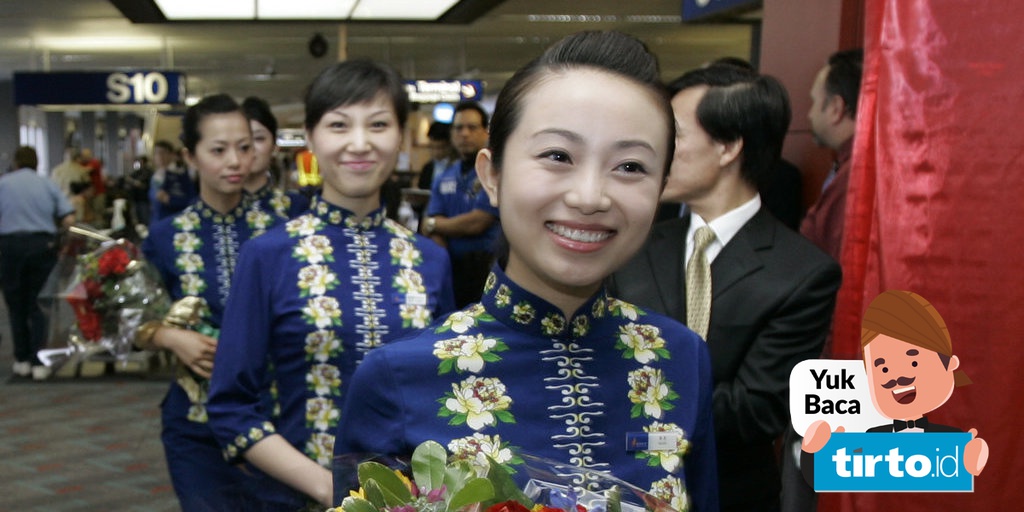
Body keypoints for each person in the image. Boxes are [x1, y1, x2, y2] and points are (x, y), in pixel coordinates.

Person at [336, 31, 718, 512]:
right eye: (558, 156)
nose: (590, 196)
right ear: (492, 176)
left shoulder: (682, 358)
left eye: (630, 166)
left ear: (662, 187)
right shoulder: (396, 377)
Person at [206, 59, 456, 511]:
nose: (359, 143)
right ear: (310, 138)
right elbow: (230, 406)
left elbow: (443, 395)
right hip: (293, 496)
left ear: (400, 136)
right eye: (339, 125)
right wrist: (328, 486)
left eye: (378, 124)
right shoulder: (268, 256)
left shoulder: (431, 260)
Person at [607, 64, 841, 512]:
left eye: (675, 136)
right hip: (620, 488)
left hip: (729, 494)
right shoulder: (633, 245)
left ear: (729, 146)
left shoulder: (802, 273)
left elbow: (757, 408)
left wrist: (640, 423)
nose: (658, 151)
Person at [137, 94, 284, 511]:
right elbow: (130, 317)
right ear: (191, 155)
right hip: (193, 422)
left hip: (274, 417)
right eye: (218, 150)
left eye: (244, 146)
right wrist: (167, 336)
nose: (235, 160)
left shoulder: (282, 232)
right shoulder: (166, 236)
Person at [801, 290, 988, 477]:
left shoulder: (952, 440)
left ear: (950, 363)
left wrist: (971, 461)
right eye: (883, 369)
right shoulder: (869, 439)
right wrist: (814, 453)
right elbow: (827, 473)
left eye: (913, 362)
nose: (897, 378)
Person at [0, 146, 75, 380]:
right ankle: (39, 362)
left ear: (15, 162)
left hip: (9, 247)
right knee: (40, 305)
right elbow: (69, 218)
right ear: (36, 162)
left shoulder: (3, 184)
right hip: (42, 247)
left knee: (15, 305)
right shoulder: (48, 184)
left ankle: (21, 359)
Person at [422, 101, 501, 308]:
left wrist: (435, 225)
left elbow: (478, 221)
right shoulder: (444, 176)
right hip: (451, 269)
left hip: (488, 268)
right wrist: (442, 260)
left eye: (472, 127)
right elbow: (432, 221)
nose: (464, 134)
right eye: (458, 128)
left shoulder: (495, 172)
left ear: (486, 131)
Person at [801, 49, 864, 263]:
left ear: (836, 108)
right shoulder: (849, 168)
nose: (809, 114)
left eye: (814, 102)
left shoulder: (853, 179)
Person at [241, 96, 310, 219]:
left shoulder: (296, 206)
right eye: (242, 140)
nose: (250, 147)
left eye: (259, 138)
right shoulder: (214, 206)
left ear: (274, 146)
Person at [151, 139, 198, 223]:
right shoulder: (155, 177)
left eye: (163, 153)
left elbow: (192, 201)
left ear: (171, 155)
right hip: (158, 222)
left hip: (176, 221)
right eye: (156, 153)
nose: (159, 156)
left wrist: (170, 199)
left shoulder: (181, 175)